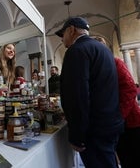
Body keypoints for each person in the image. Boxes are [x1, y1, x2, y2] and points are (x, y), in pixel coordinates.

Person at [56, 17, 124, 168]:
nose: (62, 39)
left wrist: (77, 136)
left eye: (63, 35)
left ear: (71, 30)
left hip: (94, 130)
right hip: (110, 124)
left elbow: (78, 96)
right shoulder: (103, 49)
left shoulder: (76, 51)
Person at [95, 36, 140, 168]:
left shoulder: (116, 62)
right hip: (116, 124)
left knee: (135, 158)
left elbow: (130, 89)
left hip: (130, 121)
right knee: (124, 156)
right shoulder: (97, 68)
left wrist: (118, 115)